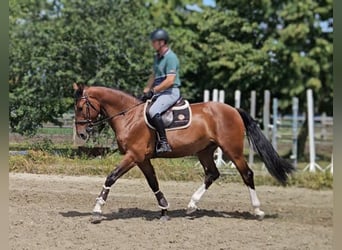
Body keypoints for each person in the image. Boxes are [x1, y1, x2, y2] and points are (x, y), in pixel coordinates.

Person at [140, 28, 181, 154]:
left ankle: (164, 142)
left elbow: (170, 81)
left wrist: (154, 90)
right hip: (159, 92)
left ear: (162, 42)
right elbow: (154, 75)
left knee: (153, 110)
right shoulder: (157, 57)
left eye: (154, 42)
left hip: (170, 92)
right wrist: (146, 90)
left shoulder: (171, 58)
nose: (152, 44)